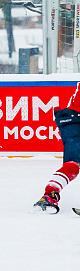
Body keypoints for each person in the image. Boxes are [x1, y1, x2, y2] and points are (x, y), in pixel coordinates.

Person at [34, 84, 80, 213]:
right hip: (74, 121)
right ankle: (49, 195)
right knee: (72, 165)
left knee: (72, 166)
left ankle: (48, 196)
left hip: (71, 121)